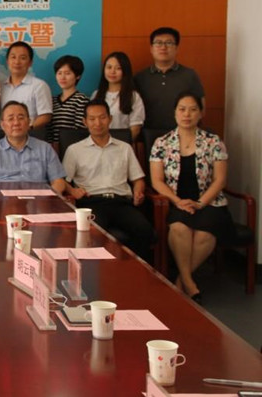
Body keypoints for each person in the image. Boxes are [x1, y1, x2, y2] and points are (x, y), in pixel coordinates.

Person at [150, 92, 233, 302]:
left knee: (205, 235)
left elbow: (220, 180)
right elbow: (157, 181)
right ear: (175, 113)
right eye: (182, 109)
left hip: (209, 203)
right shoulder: (162, 143)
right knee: (179, 228)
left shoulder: (213, 141)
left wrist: (199, 203)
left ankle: (180, 282)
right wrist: (177, 201)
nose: (187, 114)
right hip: (177, 202)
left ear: (201, 113)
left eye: (193, 109)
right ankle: (189, 284)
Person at [62, 99, 155, 262]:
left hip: (121, 203)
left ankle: (133, 271)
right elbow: (63, 181)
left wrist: (139, 190)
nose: (98, 123)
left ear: (110, 119)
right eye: (92, 119)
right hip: (91, 203)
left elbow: (138, 179)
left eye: (102, 117)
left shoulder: (124, 148)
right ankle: (100, 274)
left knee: (145, 231)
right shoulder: (74, 150)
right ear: (85, 122)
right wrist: (73, 191)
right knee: (94, 236)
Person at [0, 101, 66, 193]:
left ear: (29, 122)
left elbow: (59, 182)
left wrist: (46, 197)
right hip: (2, 200)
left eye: (21, 118)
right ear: (2, 125)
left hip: (39, 199)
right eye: (10, 119)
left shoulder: (45, 149)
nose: (16, 123)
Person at [135, 27, 205, 131]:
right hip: (148, 134)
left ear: (176, 48)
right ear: (151, 49)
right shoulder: (140, 77)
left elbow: (201, 108)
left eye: (169, 43)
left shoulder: (189, 75)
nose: (163, 47)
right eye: (158, 43)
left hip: (181, 133)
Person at [92, 51, 145, 140]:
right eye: (109, 67)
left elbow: (135, 129)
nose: (112, 71)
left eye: (118, 68)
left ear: (125, 71)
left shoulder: (133, 97)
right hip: (98, 143)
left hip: (122, 144)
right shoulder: (96, 95)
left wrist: (118, 145)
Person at [0, 41, 52, 129]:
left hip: (29, 134)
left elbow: (45, 116)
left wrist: (26, 129)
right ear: (7, 61)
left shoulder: (39, 86)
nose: (17, 62)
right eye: (13, 57)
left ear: (30, 62)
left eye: (22, 58)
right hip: (1, 135)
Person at [47, 55, 89, 143]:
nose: (62, 77)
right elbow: (49, 128)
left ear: (78, 76)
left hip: (72, 147)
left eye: (67, 73)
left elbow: (79, 131)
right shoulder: (52, 100)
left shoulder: (82, 100)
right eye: (59, 73)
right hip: (51, 147)